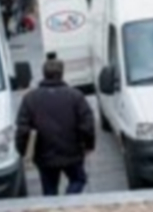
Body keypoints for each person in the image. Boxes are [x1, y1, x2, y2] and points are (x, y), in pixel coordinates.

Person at [15, 57, 95, 196]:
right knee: (78, 179)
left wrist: (23, 151)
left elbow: (22, 129)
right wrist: (88, 145)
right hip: (72, 153)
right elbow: (87, 124)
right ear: (62, 74)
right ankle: (70, 200)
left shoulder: (30, 99)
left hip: (44, 156)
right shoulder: (75, 96)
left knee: (49, 190)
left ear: (44, 74)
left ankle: (55, 204)